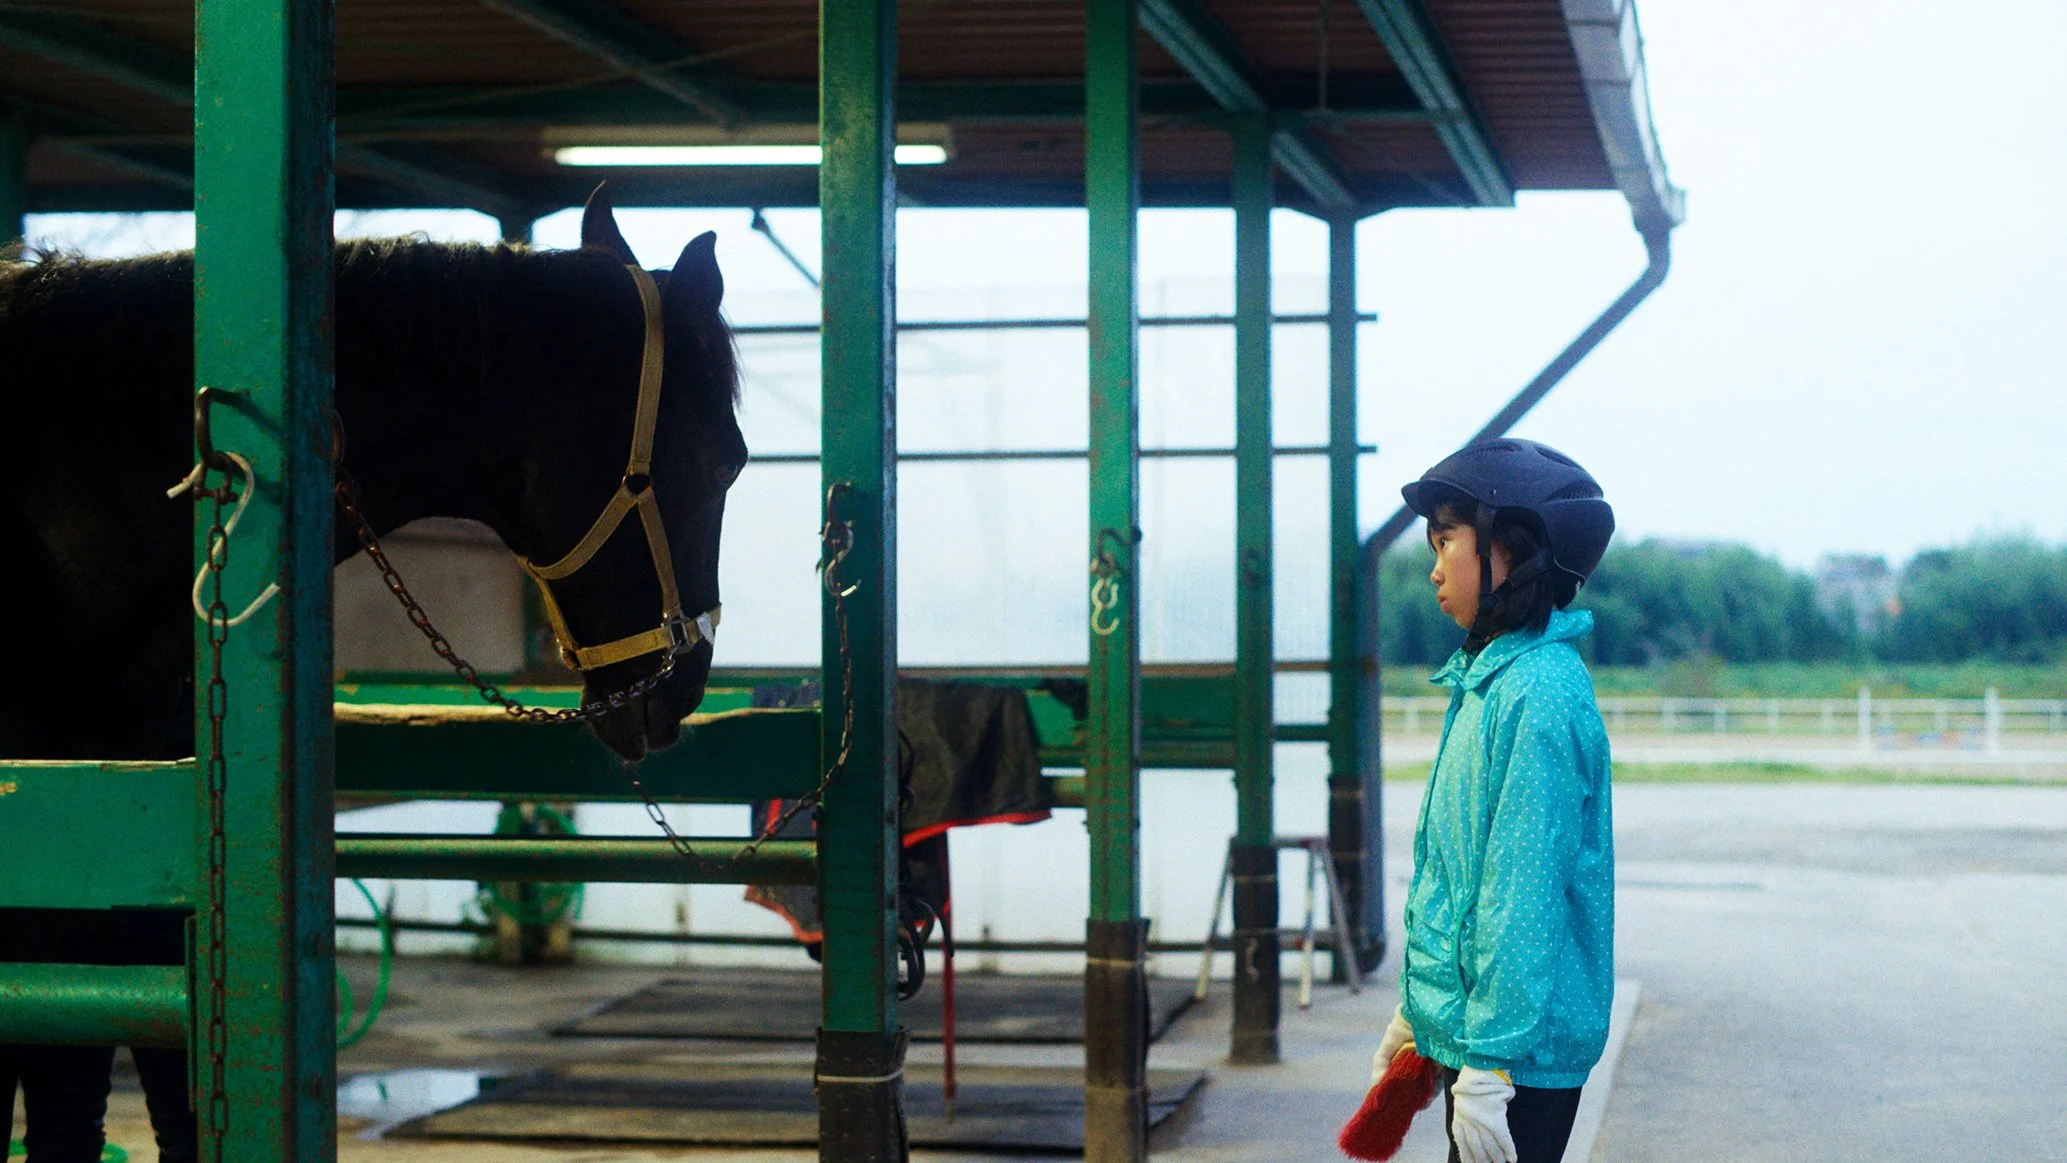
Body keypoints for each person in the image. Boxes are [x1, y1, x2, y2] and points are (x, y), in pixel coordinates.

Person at [1372, 439, 1617, 1163]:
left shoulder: (1536, 693)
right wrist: (1419, 1008)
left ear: (1511, 551)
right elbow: (1464, 881)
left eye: (1446, 538)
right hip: (1487, 1038)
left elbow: (1521, 898)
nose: (1433, 563)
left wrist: (1489, 1063)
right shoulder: (1489, 681)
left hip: (1518, 1055)